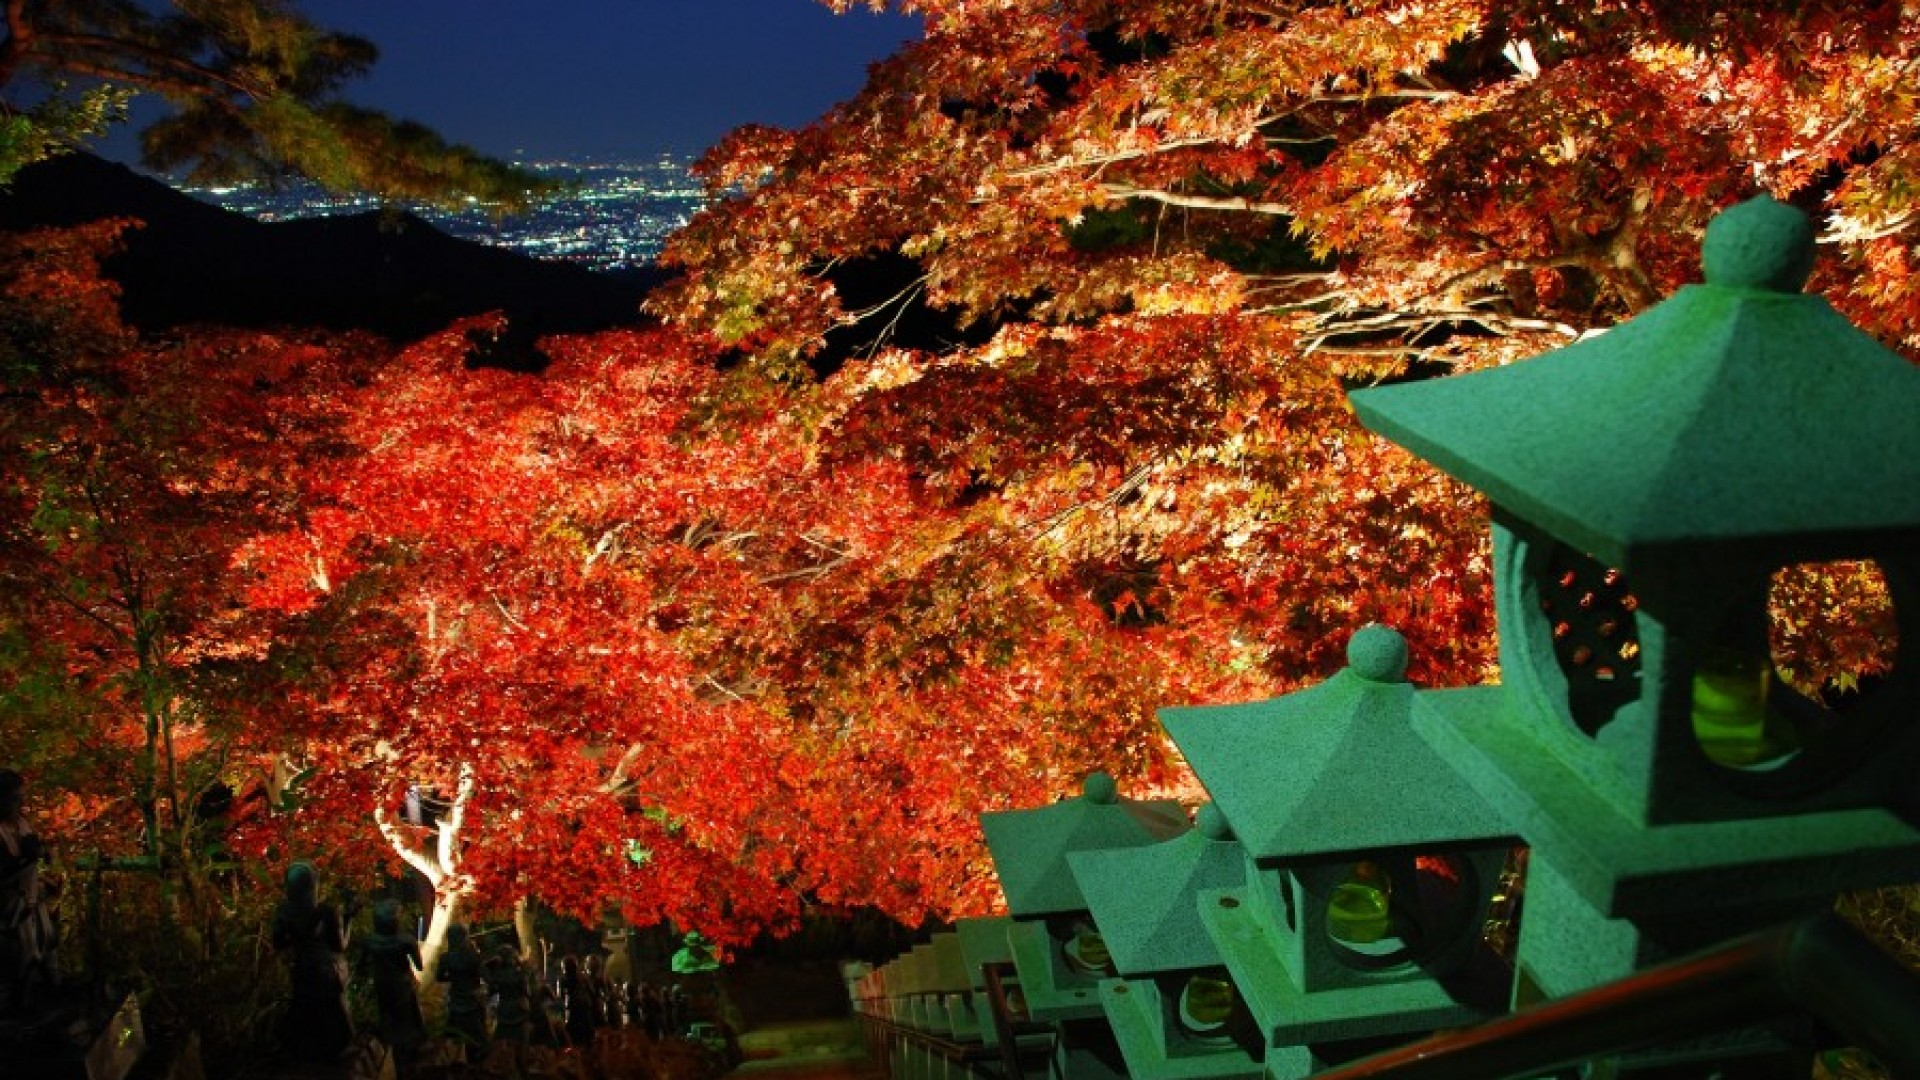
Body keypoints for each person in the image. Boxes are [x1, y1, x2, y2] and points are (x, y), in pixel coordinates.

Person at [269, 861, 355, 1061]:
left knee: (304, 1008)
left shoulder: (284, 912)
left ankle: (305, 1052)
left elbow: (278, 943)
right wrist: (349, 919)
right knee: (335, 1015)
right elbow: (339, 946)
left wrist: (296, 936)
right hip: (327, 971)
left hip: (302, 968)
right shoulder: (326, 912)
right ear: (313, 885)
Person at [0, 769, 58, 1016]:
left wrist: (41, 852)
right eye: (14, 798)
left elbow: (35, 849)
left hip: (32, 903)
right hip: (8, 912)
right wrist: (23, 862)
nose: (20, 803)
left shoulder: (21, 824)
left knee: (46, 956)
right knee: (16, 970)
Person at [361, 900, 428, 1078]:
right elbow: (419, 966)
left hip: (382, 986)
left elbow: (362, 966)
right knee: (407, 1026)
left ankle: (390, 1059)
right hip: (403, 986)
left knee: (388, 1022)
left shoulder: (370, 941)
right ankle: (407, 1066)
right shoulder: (406, 940)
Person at [437, 922, 491, 1062]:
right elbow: (486, 976)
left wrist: (453, 976)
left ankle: (455, 1062)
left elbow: (439, 977)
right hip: (473, 1000)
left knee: (455, 1037)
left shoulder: (445, 958)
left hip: (456, 1000)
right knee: (478, 1037)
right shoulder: (473, 955)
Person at [486, 944, 534, 1078]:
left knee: (499, 1042)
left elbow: (491, 989)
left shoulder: (497, 975)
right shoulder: (520, 974)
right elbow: (527, 992)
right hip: (519, 1009)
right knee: (522, 1044)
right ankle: (522, 1069)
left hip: (503, 1009)